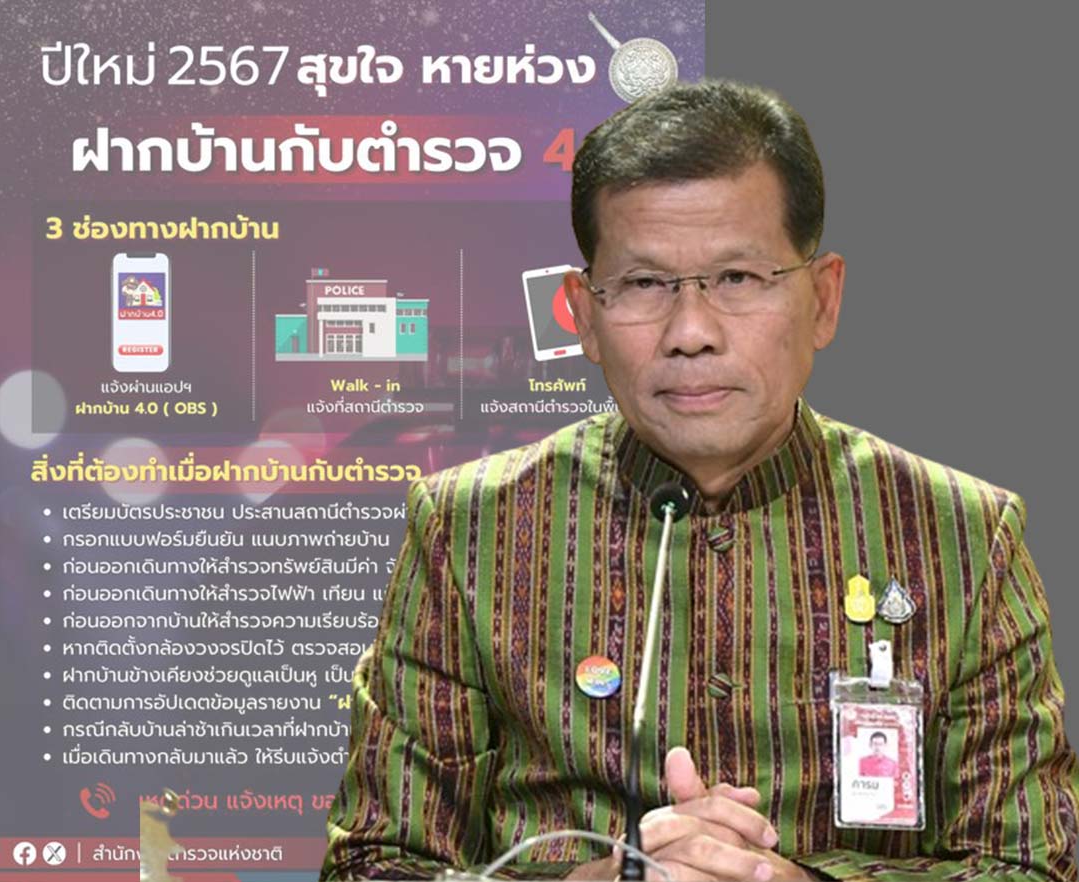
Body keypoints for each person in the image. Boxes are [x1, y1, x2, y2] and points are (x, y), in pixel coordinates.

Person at [321, 80, 1078, 881]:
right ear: (582, 312)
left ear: (823, 300)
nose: (690, 333)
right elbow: (372, 863)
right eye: (644, 284)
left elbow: (1032, 865)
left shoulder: (962, 535)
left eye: (739, 278)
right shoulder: (471, 527)